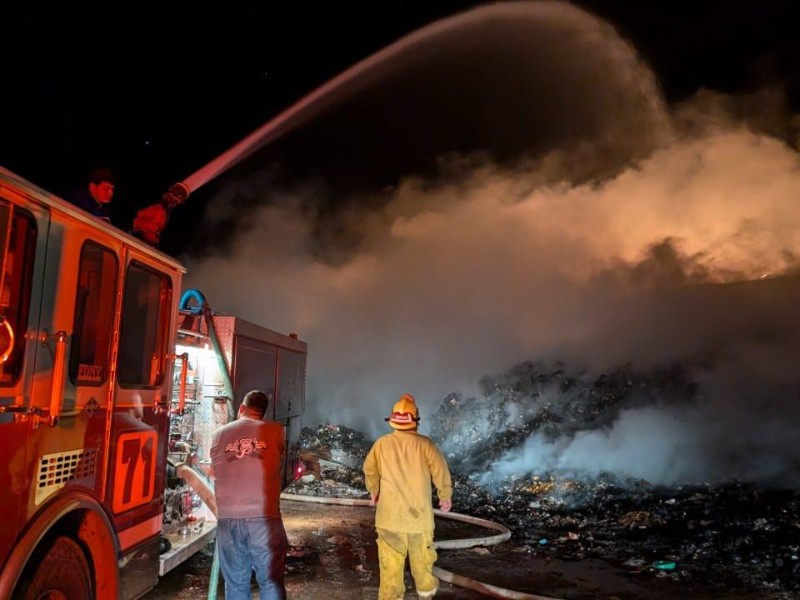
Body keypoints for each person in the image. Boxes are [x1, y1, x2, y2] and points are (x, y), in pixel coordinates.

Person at [363, 393, 453, 600]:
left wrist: (374, 491)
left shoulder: (381, 444)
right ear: (416, 420)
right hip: (419, 521)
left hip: (389, 519)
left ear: (393, 420)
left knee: (390, 567)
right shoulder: (425, 444)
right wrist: (444, 495)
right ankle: (426, 594)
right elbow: (441, 471)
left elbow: (370, 470)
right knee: (422, 563)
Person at [210, 390, 287, 600]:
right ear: (262, 413)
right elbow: (278, 459)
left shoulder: (219, 434)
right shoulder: (276, 430)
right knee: (270, 581)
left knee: (235, 582)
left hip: (228, 519)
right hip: (264, 518)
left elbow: (215, 469)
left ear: (241, 408)